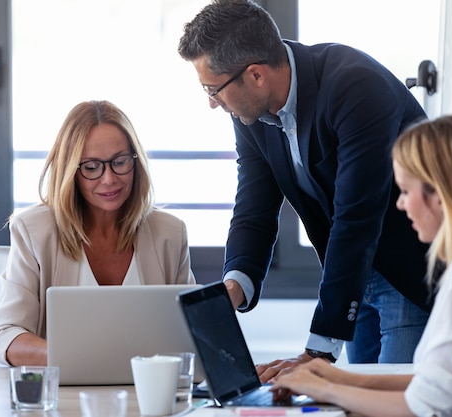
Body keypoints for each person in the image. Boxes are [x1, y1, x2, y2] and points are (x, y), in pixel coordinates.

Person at [178, 0, 432, 376]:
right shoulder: (250, 110)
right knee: (359, 402)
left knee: (397, 398)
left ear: (256, 75)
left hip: (405, 269)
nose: (213, 103)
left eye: (212, 89)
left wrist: (317, 352)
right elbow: (254, 208)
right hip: (348, 275)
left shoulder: (356, 86)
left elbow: (356, 216)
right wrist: (233, 287)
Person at [271, 114, 452, 417]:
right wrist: (339, 377)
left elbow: (419, 406)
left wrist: (324, 391)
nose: (400, 204)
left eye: (405, 191)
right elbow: (437, 383)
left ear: (438, 196)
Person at [0, 100, 196, 366]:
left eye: (120, 161)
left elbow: (194, 333)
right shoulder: (33, 231)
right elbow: (6, 336)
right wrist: (79, 359)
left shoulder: (170, 233)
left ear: (136, 161)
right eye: (91, 167)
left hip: (148, 398)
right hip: (63, 398)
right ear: (70, 170)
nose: (109, 179)